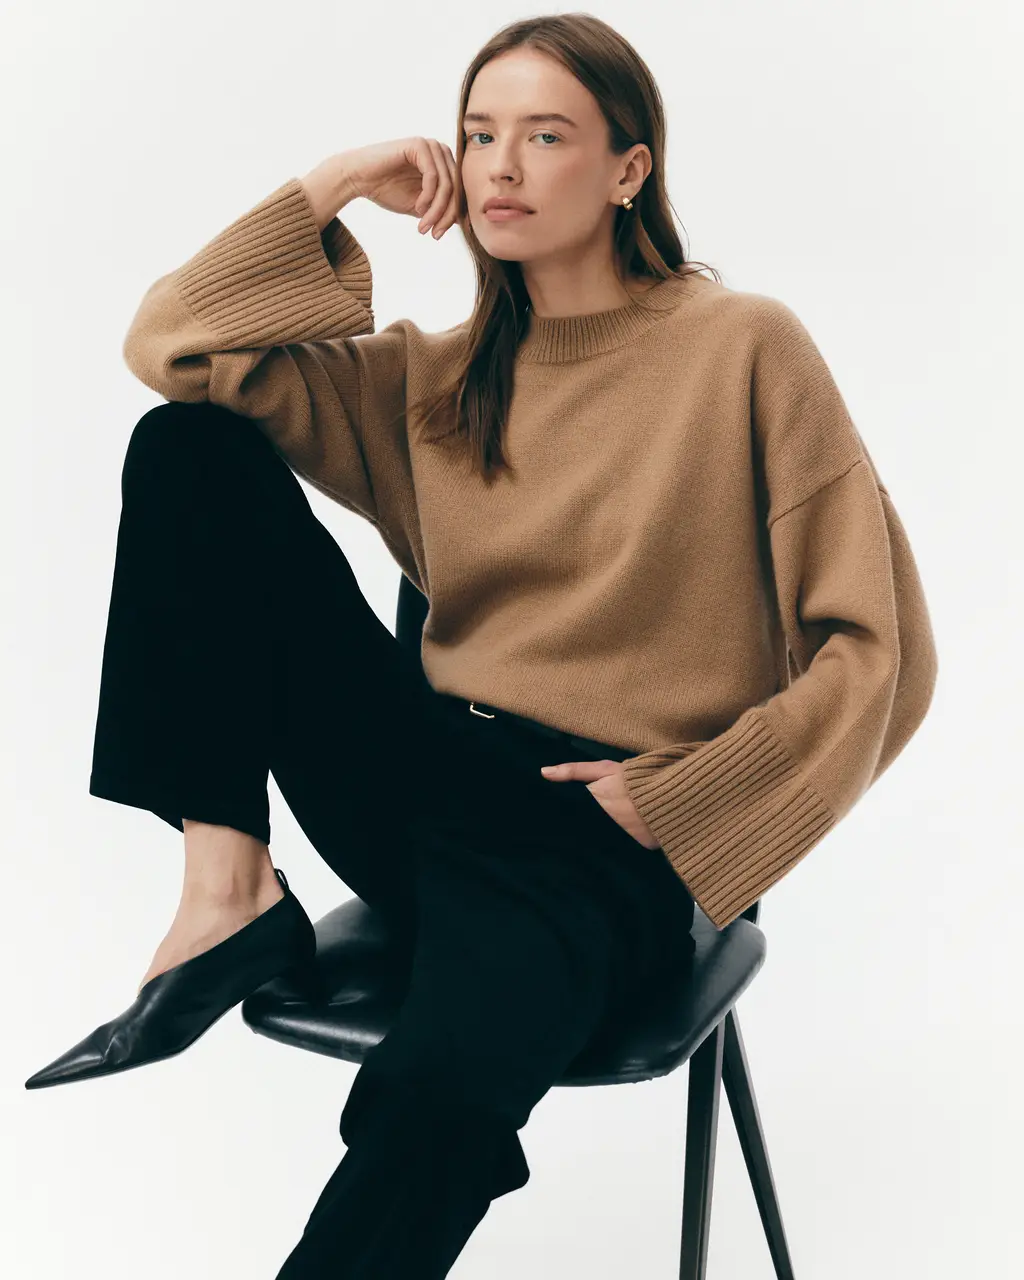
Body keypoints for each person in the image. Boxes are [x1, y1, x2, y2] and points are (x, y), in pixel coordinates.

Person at [23, 11, 938, 1277]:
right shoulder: (433, 380)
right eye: (478, 134)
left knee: (436, 1092)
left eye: (545, 136)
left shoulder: (743, 349)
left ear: (628, 170)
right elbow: (172, 349)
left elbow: (880, 651)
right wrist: (332, 183)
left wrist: (685, 799)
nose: (500, 165)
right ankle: (228, 892)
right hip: (421, 773)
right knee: (186, 446)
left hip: (596, 833)